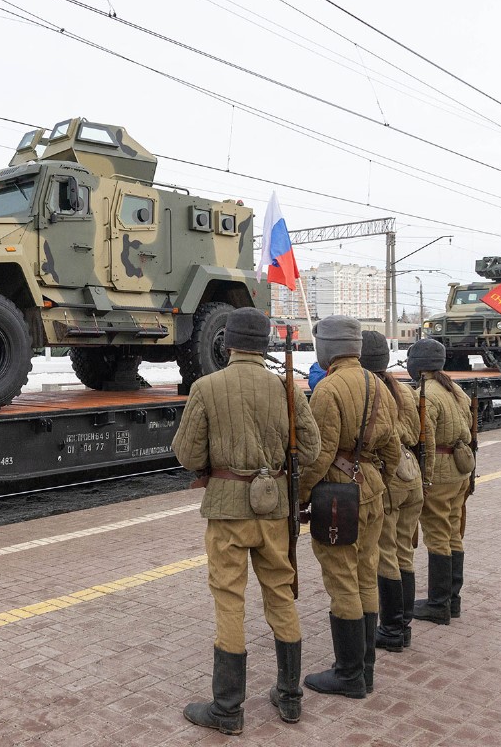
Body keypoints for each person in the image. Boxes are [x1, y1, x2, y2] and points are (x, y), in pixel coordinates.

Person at [172, 307, 321, 735]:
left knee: (229, 601)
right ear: (266, 344)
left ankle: (227, 709)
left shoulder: (207, 387)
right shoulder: (287, 388)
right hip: (275, 510)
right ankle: (290, 698)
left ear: (228, 343)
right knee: (281, 595)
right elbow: (309, 449)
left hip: (226, 510)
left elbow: (187, 454)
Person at [300, 317, 398, 699]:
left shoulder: (328, 389)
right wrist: (379, 485)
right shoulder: (379, 384)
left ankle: (349, 675)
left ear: (328, 348)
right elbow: (391, 447)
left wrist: (302, 497)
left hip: (339, 495)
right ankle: (366, 671)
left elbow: (321, 454)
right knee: (365, 574)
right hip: (372, 489)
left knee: (342, 580)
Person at [357, 332, 423, 652]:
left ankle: (393, 629)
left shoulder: (370, 392)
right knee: (404, 551)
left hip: (390, 475)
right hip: (412, 474)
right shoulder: (404, 391)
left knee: (385, 555)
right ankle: (404, 624)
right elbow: (415, 433)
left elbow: (383, 442)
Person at [409, 338, 474, 627]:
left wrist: (424, 479)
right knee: (452, 533)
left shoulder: (425, 394)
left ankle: (438, 605)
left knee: (437, 536)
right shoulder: (455, 389)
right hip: (461, 470)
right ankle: (452, 600)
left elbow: (425, 442)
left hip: (440, 473)